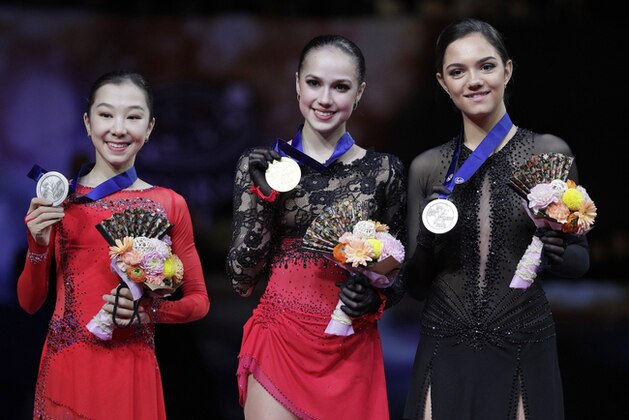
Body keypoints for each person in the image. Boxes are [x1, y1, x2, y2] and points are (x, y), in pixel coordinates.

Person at [402, 18, 590, 420]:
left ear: (507, 70)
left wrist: (556, 250)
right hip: (445, 341)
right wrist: (431, 243)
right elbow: (414, 285)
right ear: (442, 83)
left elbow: (581, 261)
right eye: (458, 71)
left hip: (522, 338)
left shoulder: (548, 151)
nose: (473, 80)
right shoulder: (427, 167)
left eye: (486, 66)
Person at [226, 34, 407, 420]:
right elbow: (241, 278)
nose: (324, 99)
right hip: (281, 337)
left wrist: (378, 299)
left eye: (340, 86)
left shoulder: (384, 171)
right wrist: (263, 198)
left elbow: (399, 268)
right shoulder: (259, 164)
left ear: (359, 93)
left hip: (350, 342)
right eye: (314, 83)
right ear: (297, 84)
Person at [17, 70, 210, 419]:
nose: (118, 128)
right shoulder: (60, 202)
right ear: (88, 123)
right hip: (68, 368)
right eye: (106, 115)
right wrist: (38, 244)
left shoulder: (170, 203)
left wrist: (146, 313)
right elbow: (30, 303)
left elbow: (199, 302)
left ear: (149, 128)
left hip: (131, 368)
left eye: (133, 117)